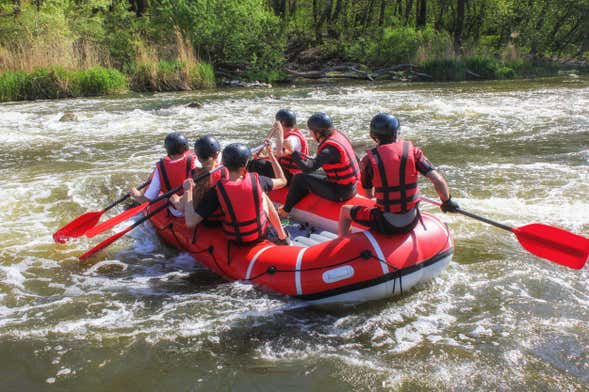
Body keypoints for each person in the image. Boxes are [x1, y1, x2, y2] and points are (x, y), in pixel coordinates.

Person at [337, 113, 459, 238]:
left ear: (372, 135)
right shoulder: (413, 152)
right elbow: (438, 180)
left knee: (345, 211)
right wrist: (447, 201)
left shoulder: (369, 160)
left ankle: (342, 244)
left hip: (386, 224)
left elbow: (369, 195)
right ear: (397, 133)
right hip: (412, 221)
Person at [183, 143, 290, 245]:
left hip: (236, 238)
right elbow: (283, 180)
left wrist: (188, 191)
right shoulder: (258, 180)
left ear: (224, 164)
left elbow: (190, 222)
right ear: (246, 164)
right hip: (259, 233)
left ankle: (281, 236)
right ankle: (282, 236)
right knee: (263, 195)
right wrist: (271, 154)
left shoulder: (217, 190)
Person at [278, 112, 359, 218]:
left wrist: (292, 151)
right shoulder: (339, 136)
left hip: (341, 193)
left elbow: (308, 168)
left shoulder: (329, 149)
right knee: (307, 174)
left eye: (311, 131)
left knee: (299, 178)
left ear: (318, 132)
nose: (310, 134)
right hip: (351, 186)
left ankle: (285, 210)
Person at [129, 132, 196, 217]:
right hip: (196, 205)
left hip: (178, 211)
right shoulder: (196, 160)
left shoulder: (160, 168)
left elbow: (147, 200)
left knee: (159, 194)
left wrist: (135, 194)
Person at [171, 135, 226, 225]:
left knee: (173, 198)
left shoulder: (193, 174)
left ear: (198, 157)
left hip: (206, 221)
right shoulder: (225, 171)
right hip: (222, 220)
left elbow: (184, 206)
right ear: (217, 154)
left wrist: (174, 200)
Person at [248, 109, 309, 182]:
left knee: (257, 164)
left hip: (292, 176)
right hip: (287, 172)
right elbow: (284, 153)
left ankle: (252, 186)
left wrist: (279, 130)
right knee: (259, 160)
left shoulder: (293, 138)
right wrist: (265, 156)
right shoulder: (291, 135)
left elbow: (279, 153)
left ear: (281, 122)